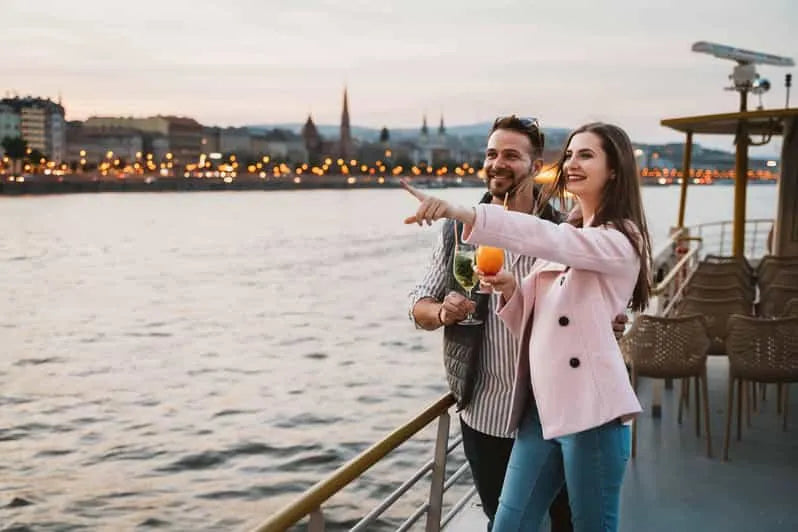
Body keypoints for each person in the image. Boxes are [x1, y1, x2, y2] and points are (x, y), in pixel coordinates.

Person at [404, 122, 652, 532]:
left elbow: (544, 238)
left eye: (586, 155)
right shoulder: (572, 230)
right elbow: (542, 324)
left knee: (587, 526)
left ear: (614, 169)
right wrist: (511, 291)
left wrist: (461, 211)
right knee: (508, 525)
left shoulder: (620, 237)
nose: (572, 163)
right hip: (539, 408)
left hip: (590, 410)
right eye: (569, 154)